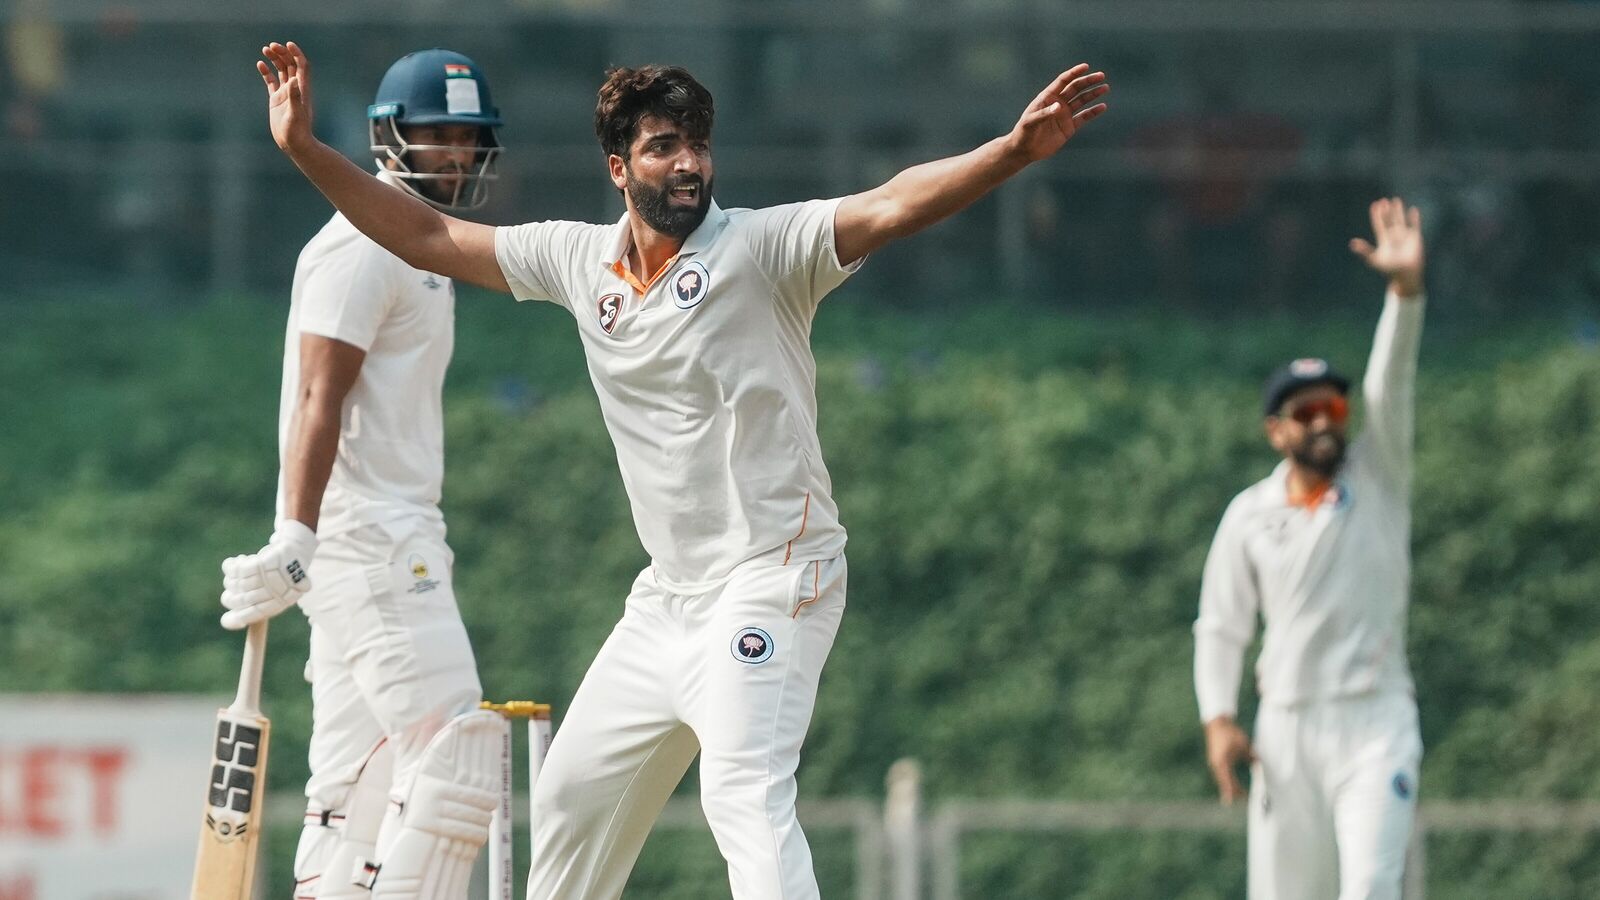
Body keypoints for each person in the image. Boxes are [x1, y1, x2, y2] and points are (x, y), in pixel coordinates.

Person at [254, 39, 1109, 899]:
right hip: (667, 601)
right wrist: (304, 150)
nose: (689, 163)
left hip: (775, 577)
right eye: (664, 146)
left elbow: (888, 205)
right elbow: (430, 233)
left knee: (742, 794)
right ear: (619, 167)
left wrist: (1010, 152)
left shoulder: (765, 250)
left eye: (698, 144)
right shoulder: (578, 262)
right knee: (568, 802)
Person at [219, 48, 507, 900]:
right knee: (455, 749)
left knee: (355, 790)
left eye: (468, 136)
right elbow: (319, 394)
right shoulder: (358, 246)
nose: (455, 153)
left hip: (386, 535)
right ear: (388, 137)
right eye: (437, 134)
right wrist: (297, 537)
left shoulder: (421, 242)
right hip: (368, 539)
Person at [1193, 197, 1427, 900]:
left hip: (1375, 718)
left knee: (1370, 890)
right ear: (1276, 431)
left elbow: (1393, 384)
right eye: (1306, 411)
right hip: (1286, 729)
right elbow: (1222, 624)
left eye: (1334, 407)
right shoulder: (1250, 516)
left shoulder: (1379, 475)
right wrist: (1219, 720)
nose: (1325, 421)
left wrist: (1404, 293)